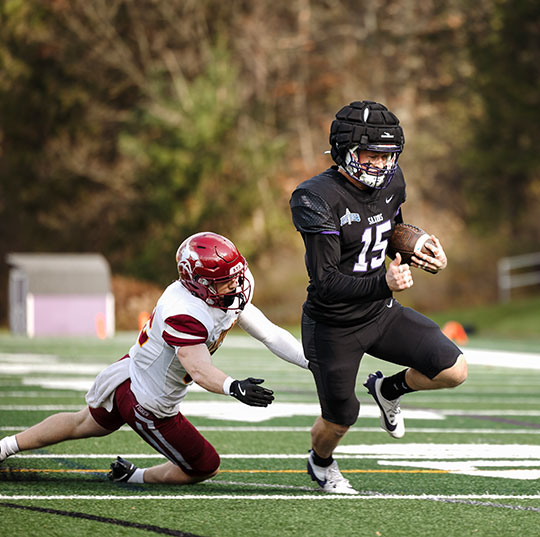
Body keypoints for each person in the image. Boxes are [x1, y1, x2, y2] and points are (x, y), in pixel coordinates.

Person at [0, 232, 308, 485]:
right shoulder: (183, 311)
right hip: (149, 402)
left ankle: (4, 446)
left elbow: (268, 332)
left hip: (130, 372)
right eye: (225, 281)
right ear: (198, 283)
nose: (236, 285)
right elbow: (199, 369)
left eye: (235, 275)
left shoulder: (227, 287)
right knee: (205, 466)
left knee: (83, 422)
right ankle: (134, 478)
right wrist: (233, 387)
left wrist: (313, 362)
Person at [289, 100, 468, 494]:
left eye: (389, 156)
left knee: (453, 369)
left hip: (379, 312)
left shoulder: (392, 181)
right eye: (372, 155)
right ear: (345, 151)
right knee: (340, 419)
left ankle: (388, 389)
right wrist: (384, 283)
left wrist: (416, 250)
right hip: (333, 324)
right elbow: (325, 280)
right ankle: (320, 464)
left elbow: (391, 230)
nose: (383, 166)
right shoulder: (315, 197)